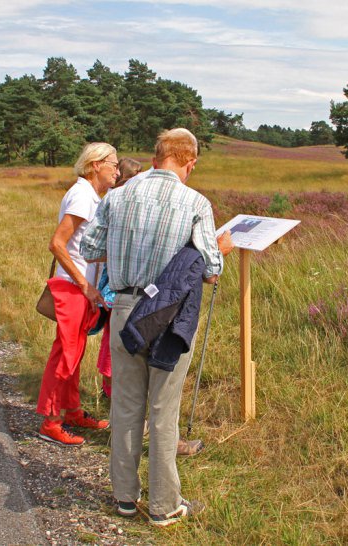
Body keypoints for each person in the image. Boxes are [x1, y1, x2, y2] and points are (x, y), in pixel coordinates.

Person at [81, 128, 233, 526]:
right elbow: (212, 267)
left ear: (155, 157)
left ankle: (124, 498)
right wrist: (218, 249)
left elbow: (89, 248)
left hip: (125, 306)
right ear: (190, 162)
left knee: (126, 404)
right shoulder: (195, 202)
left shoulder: (118, 195)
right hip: (168, 313)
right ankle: (165, 505)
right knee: (165, 410)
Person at [36, 142, 119, 446]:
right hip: (73, 290)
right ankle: (51, 420)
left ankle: (71, 411)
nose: (117, 170)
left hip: (81, 291)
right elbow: (57, 243)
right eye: (113, 164)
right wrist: (85, 285)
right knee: (65, 355)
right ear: (96, 164)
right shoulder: (82, 196)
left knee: (75, 352)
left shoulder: (90, 196)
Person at [96, 157, 142, 399]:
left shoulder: (119, 202)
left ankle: (112, 391)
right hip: (117, 288)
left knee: (116, 340)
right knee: (115, 342)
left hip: (116, 287)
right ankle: (111, 391)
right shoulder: (118, 203)